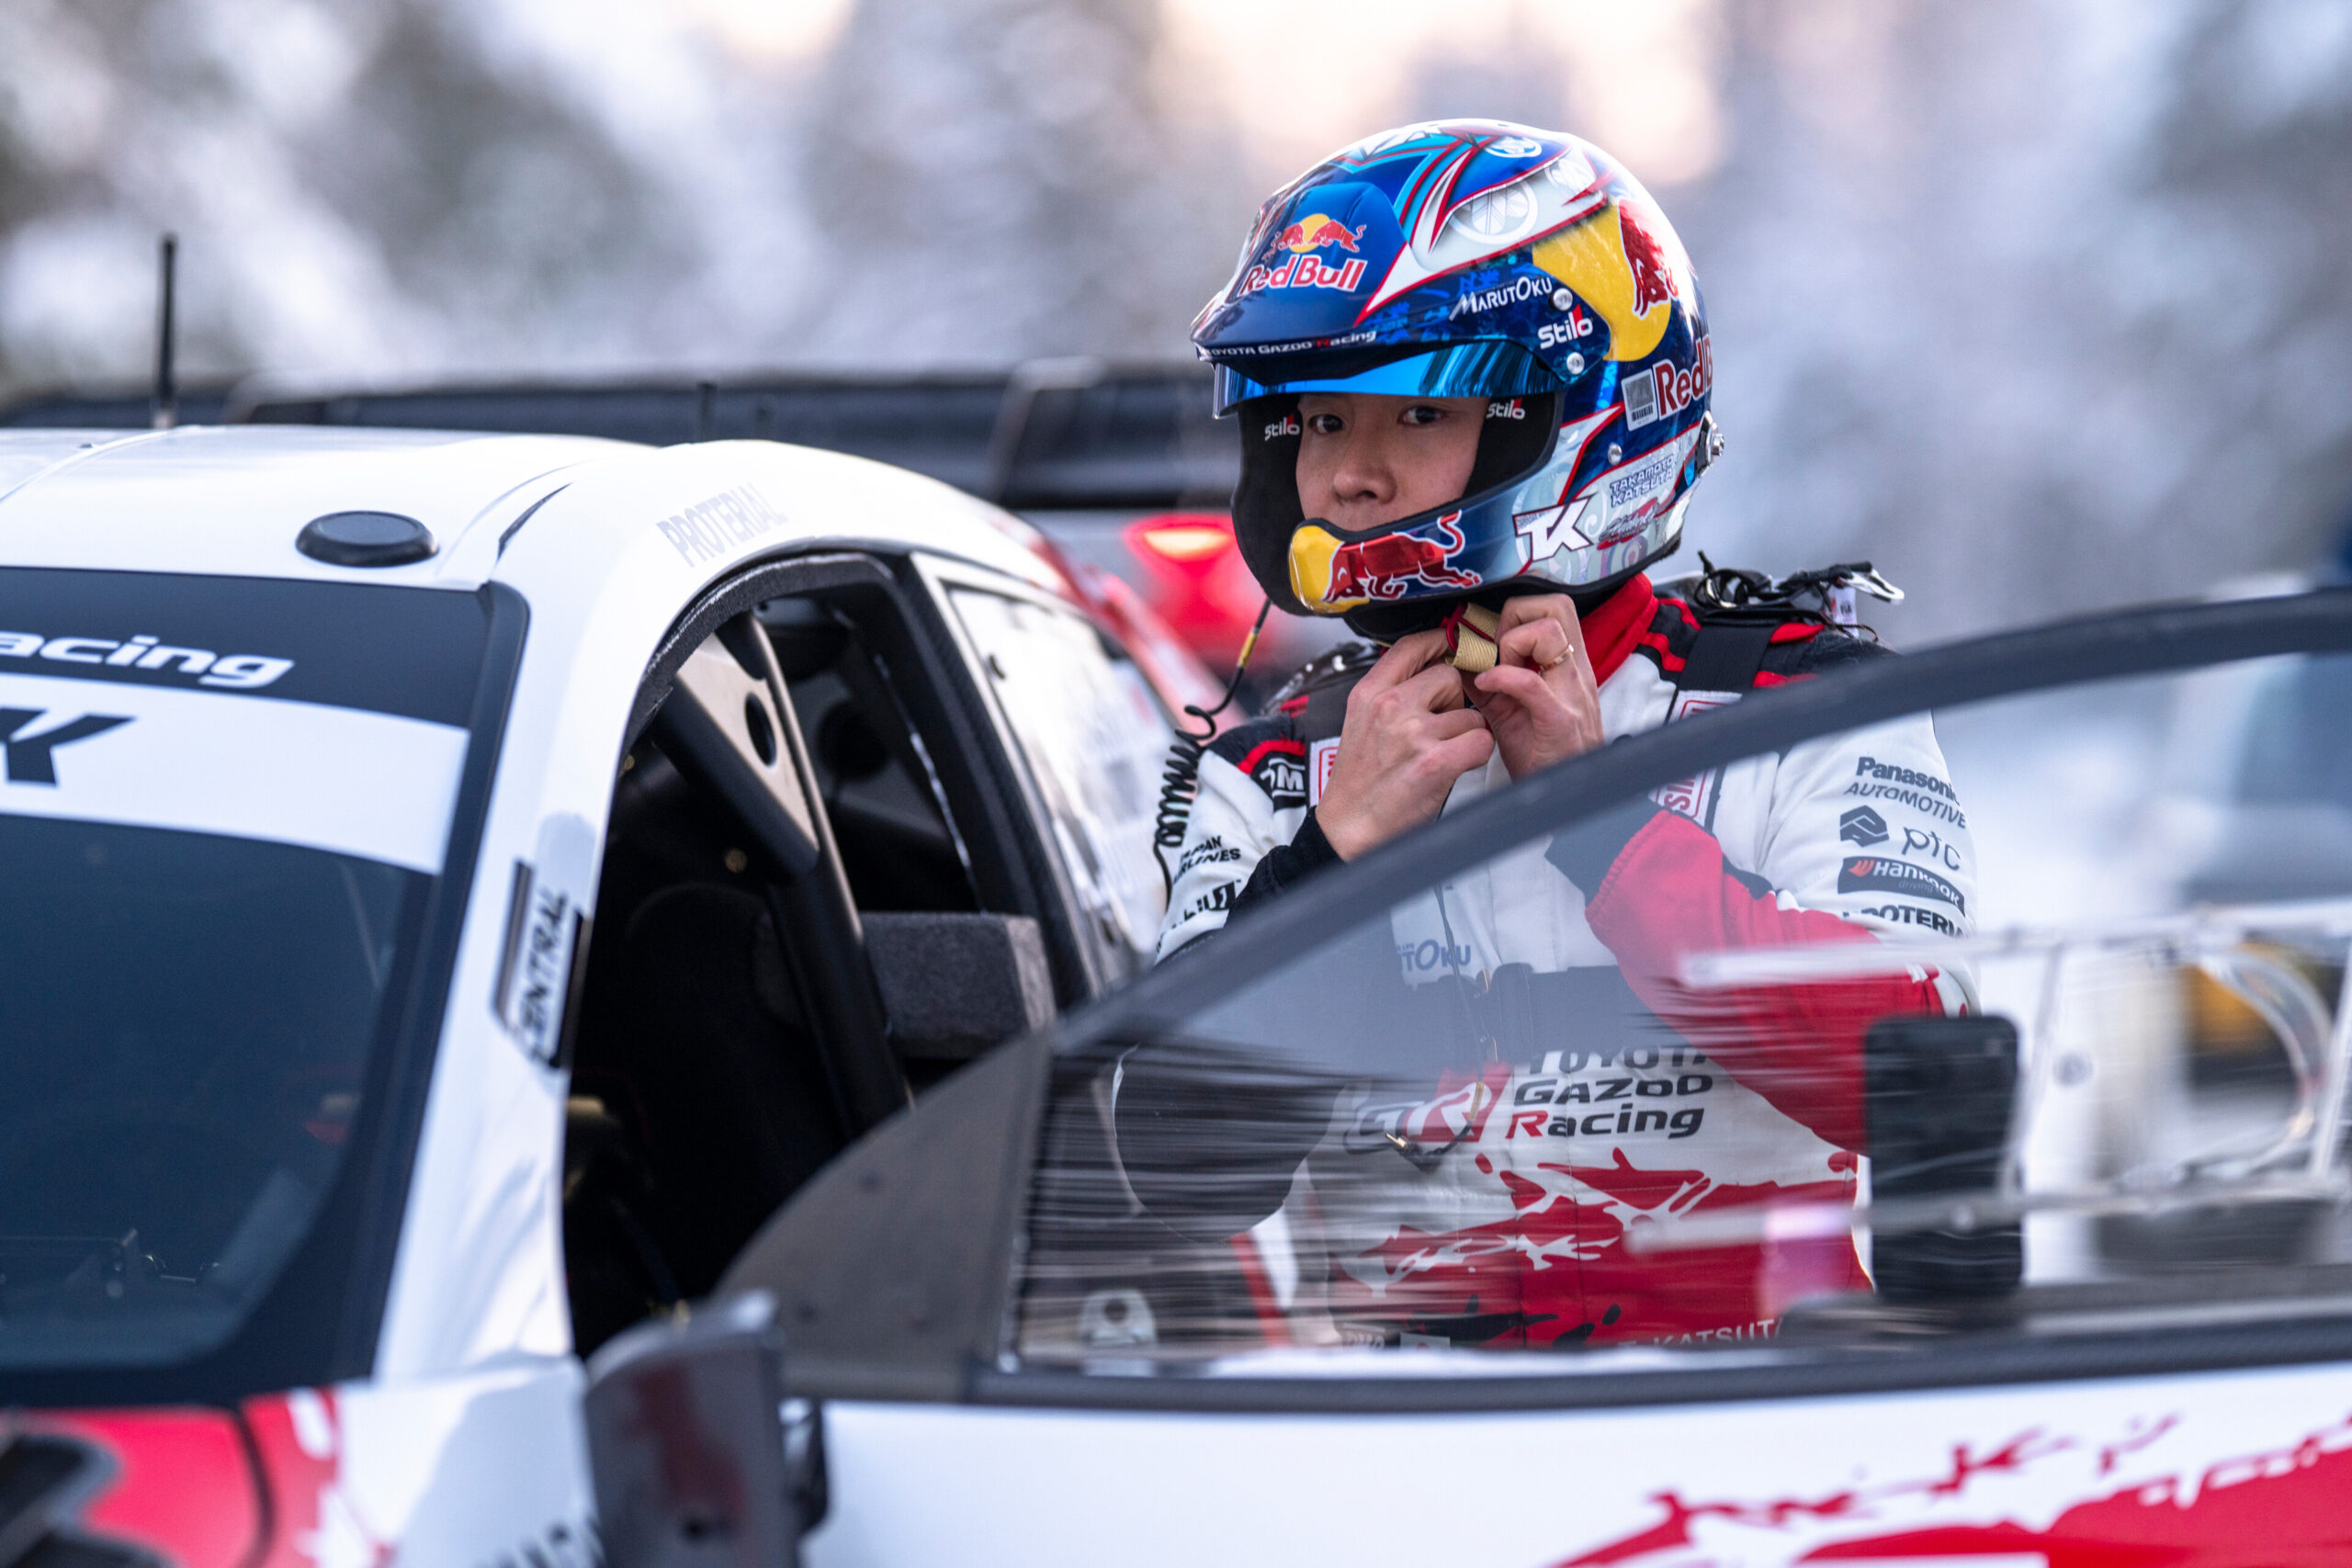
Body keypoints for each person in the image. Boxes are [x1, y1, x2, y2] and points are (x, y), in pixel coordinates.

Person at [1129, 120, 1981, 1349]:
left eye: (1415, 413)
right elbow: (1176, 1171)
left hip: (1757, 1426)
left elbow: (1922, 1091)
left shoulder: (1801, 709)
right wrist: (1330, 868)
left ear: (1576, 418)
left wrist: (1605, 825)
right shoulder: (1271, 773)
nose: (1352, 477)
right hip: (1409, 1443)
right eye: (1320, 423)